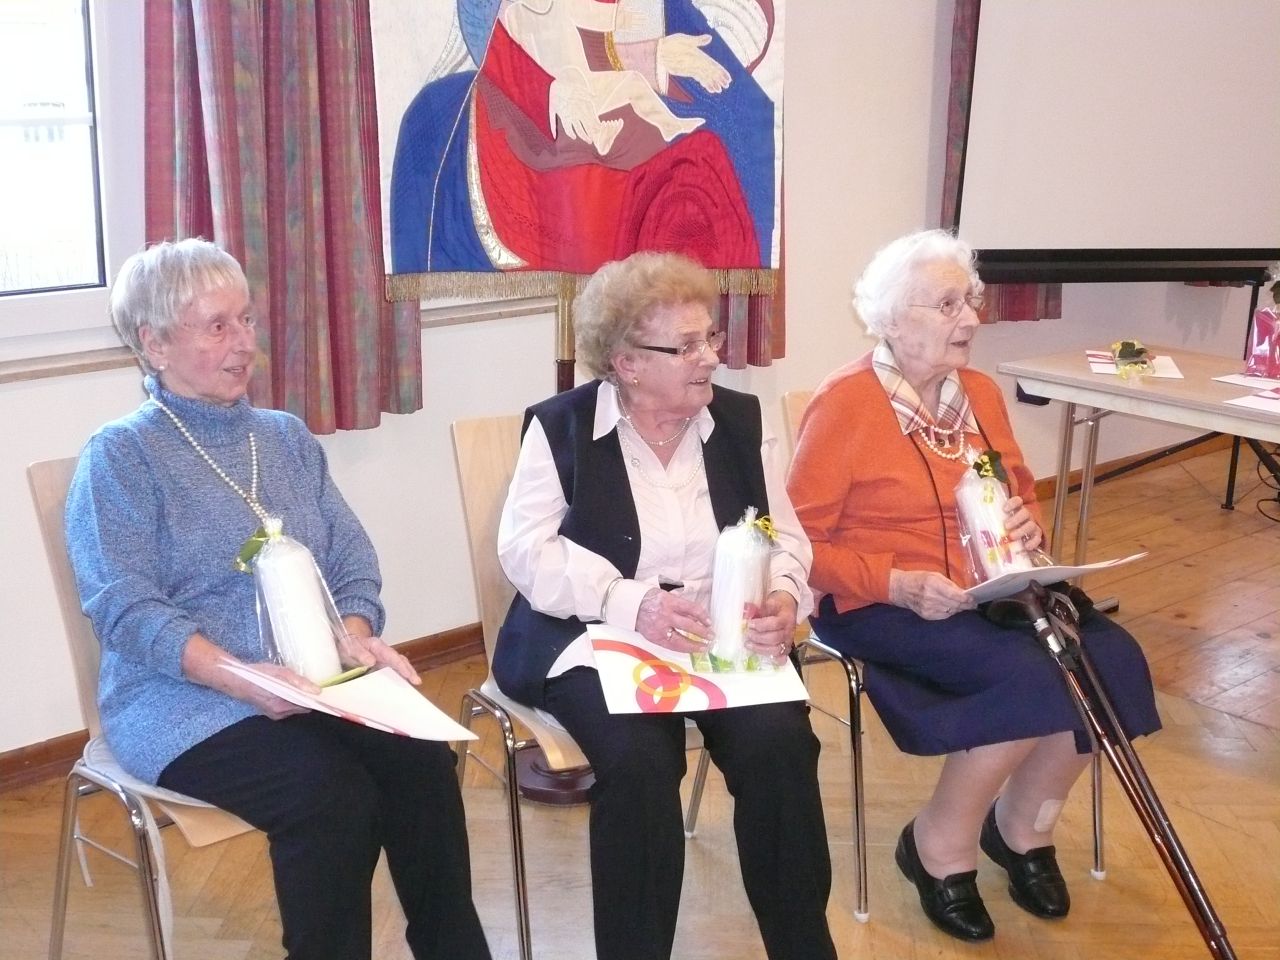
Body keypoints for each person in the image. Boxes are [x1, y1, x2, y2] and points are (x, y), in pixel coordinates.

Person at [64, 239, 491, 960]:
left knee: (420, 760)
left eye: (247, 320)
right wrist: (241, 677)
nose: (244, 344)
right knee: (331, 798)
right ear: (155, 344)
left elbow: (351, 558)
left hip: (312, 679)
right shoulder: (121, 456)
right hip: (181, 699)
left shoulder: (284, 437)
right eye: (217, 326)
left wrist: (353, 634)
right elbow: (125, 608)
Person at [786, 229, 1161, 943]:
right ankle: (937, 845)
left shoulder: (980, 393)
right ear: (893, 318)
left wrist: (1024, 522)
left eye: (971, 300)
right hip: (881, 601)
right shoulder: (845, 404)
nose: (970, 318)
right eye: (947, 304)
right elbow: (800, 546)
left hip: (989, 592)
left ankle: (1021, 828)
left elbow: (1018, 492)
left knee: (1111, 656)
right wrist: (897, 584)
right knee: (1031, 675)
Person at [495, 251, 837, 960]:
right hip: (594, 637)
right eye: (685, 347)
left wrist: (783, 594)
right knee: (641, 766)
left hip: (718, 635)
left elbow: (784, 537)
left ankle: (804, 947)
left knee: (780, 746)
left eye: (709, 337)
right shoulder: (560, 428)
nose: (710, 357)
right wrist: (629, 602)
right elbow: (526, 551)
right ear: (626, 363)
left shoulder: (739, 421)